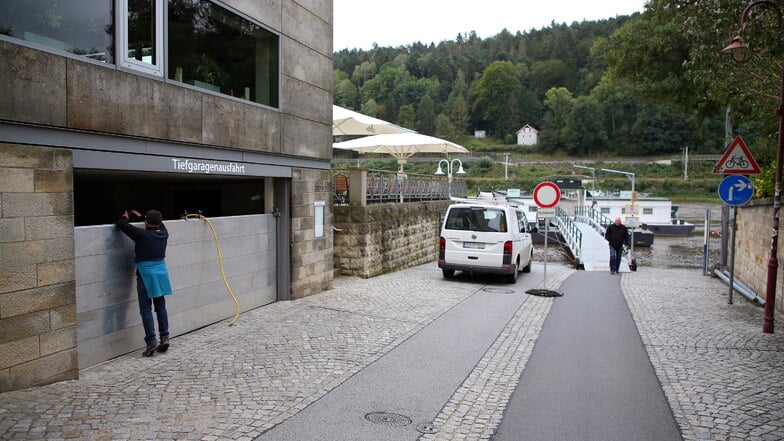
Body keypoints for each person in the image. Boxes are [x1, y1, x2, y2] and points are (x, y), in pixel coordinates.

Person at [117, 209, 173, 356]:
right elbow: (159, 223)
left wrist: (125, 216)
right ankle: (165, 336)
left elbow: (123, 225)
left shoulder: (143, 235)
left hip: (145, 274)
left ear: (147, 223)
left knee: (146, 309)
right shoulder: (164, 233)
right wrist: (143, 217)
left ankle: (151, 342)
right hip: (161, 273)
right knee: (160, 305)